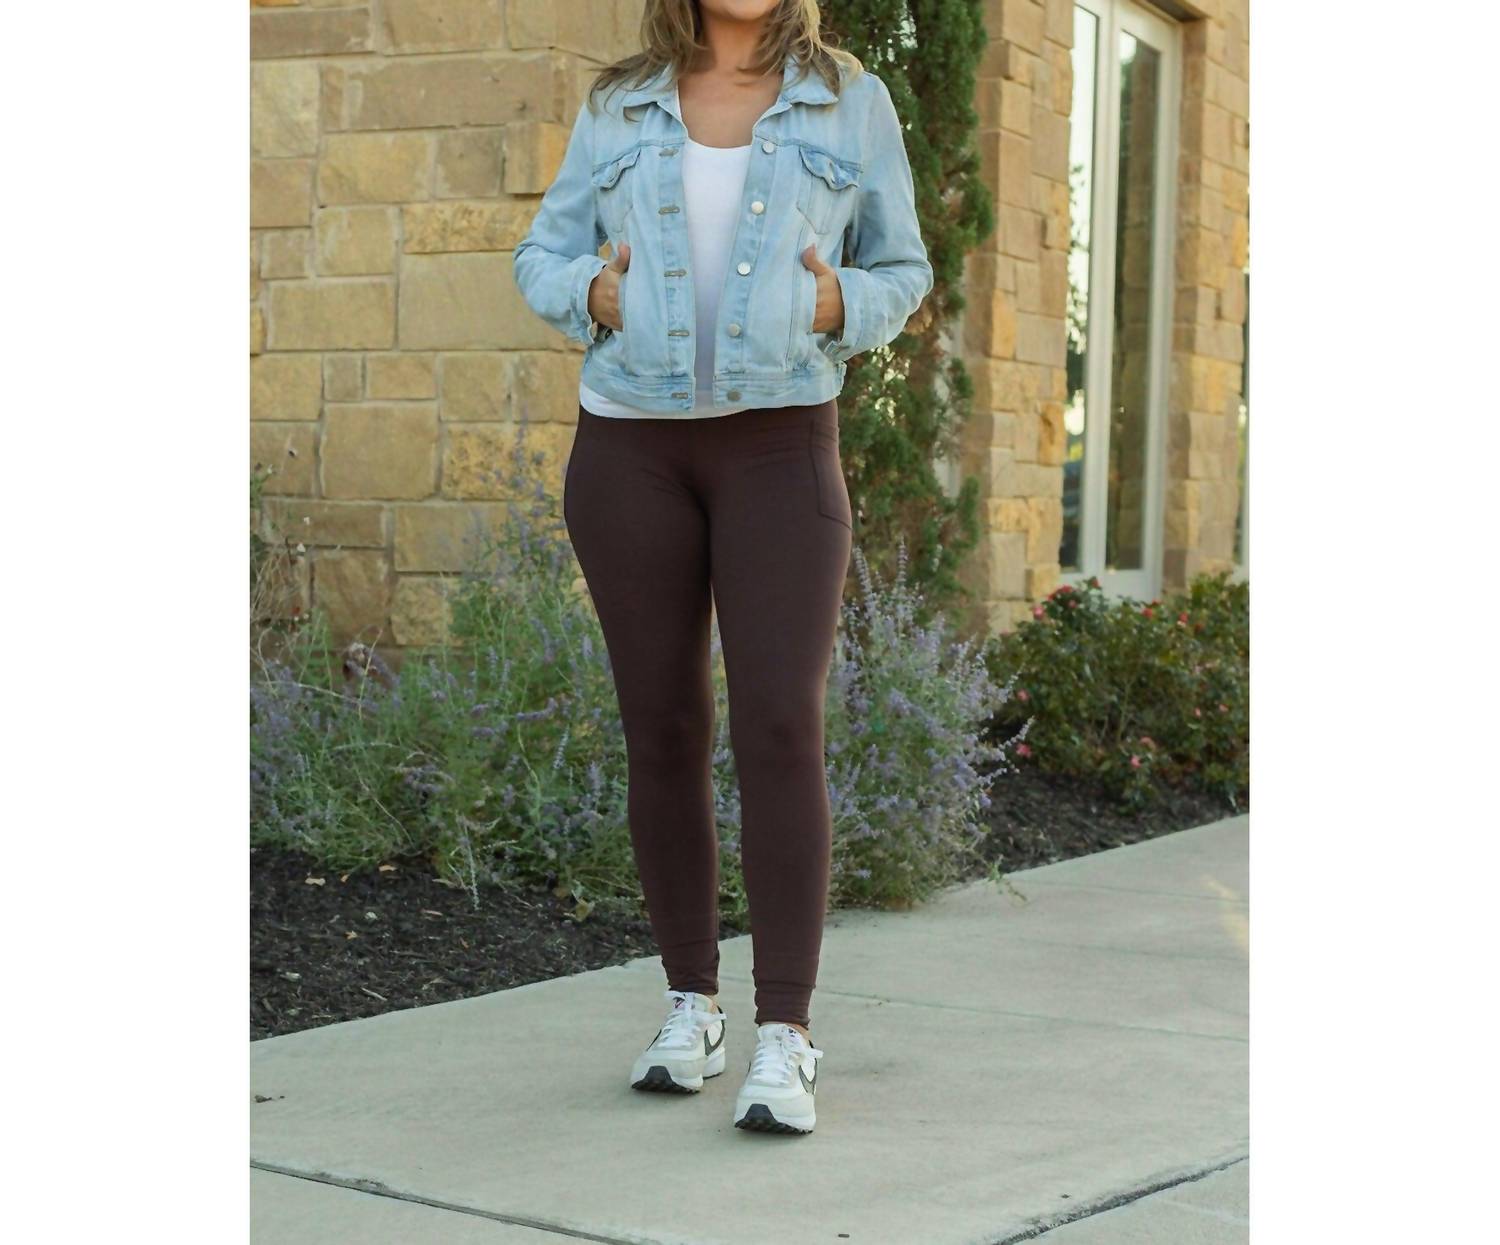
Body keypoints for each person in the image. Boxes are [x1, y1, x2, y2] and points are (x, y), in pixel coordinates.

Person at [512, 0, 933, 1136]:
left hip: (780, 444)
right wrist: (587, 293)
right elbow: (540, 251)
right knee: (662, 727)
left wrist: (847, 302)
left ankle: (785, 1031)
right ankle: (689, 1005)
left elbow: (903, 264)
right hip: (629, 450)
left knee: (781, 723)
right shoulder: (620, 102)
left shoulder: (850, 101)